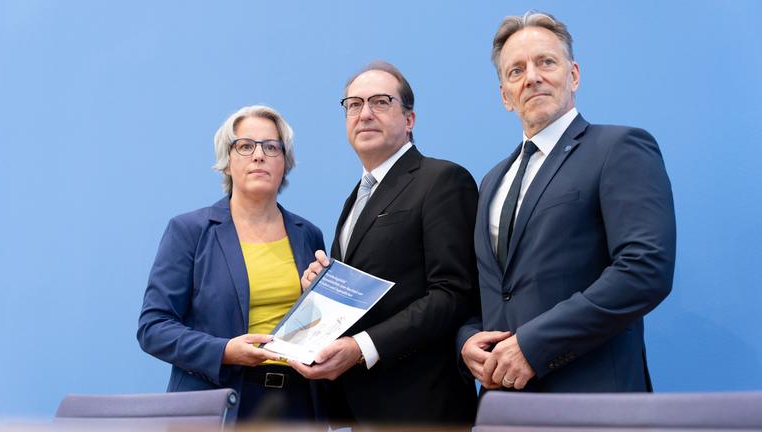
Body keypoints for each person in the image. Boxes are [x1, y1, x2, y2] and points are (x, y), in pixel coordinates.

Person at [458, 11, 676, 393]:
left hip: (591, 400)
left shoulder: (618, 148)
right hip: (503, 403)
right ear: (505, 96)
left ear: (573, 75)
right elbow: (491, 289)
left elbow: (644, 269)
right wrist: (468, 338)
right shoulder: (492, 181)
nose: (532, 77)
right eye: (516, 71)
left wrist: (534, 346)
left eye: (546, 62)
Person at [290, 61, 479, 424]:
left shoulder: (442, 180)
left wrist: (361, 347)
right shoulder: (355, 199)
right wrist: (322, 289)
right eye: (354, 104)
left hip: (424, 405)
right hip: (364, 404)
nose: (365, 114)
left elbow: (453, 293)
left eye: (380, 102)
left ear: (409, 119)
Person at [137, 105, 325, 421]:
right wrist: (224, 351)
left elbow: (318, 327)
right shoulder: (190, 231)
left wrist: (316, 300)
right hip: (218, 403)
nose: (259, 156)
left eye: (271, 147)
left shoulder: (308, 234)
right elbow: (153, 328)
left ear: (285, 162)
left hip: (298, 405)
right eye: (245, 146)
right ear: (227, 162)